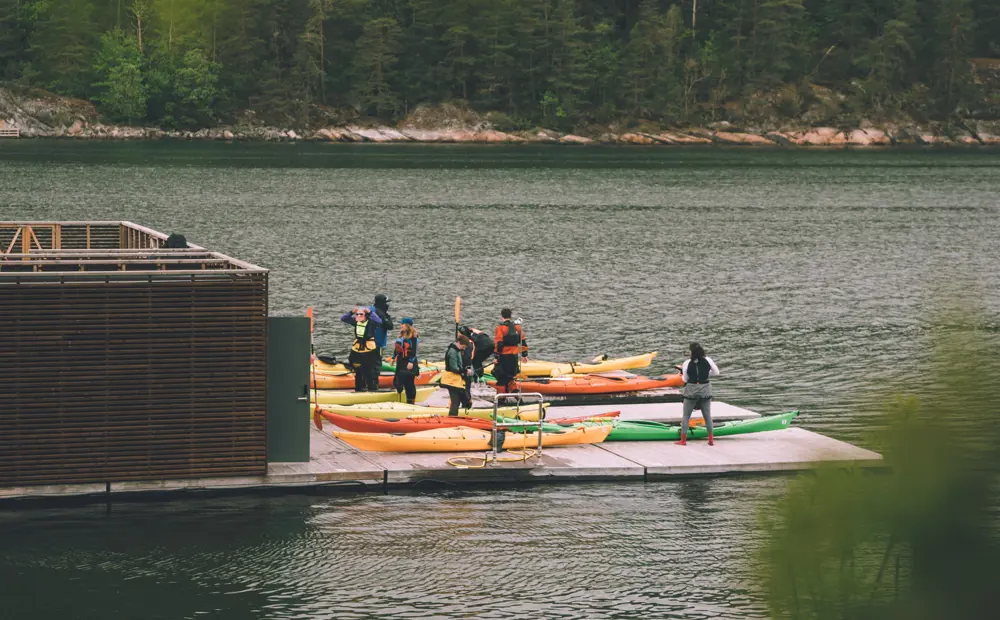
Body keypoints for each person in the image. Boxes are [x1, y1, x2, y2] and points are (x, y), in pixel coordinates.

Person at [676, 342, 720, 446]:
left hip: (691, 390)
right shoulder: (708, 360)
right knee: (707, 416)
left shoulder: (687, 362)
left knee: (686, 416)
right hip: (705, 389)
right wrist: (704, 374)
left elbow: (685, 379)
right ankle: (710, 440)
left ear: (691, 351)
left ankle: (683, 440)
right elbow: (717, 373)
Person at [340, 306, 383, 392]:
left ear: (366, 316)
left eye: (361, 314)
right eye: (357, 314)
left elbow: (379, 321)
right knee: (358, 370)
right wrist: (351, 312)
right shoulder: (356, 322)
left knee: (370, 371)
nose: (359, 316)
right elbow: (343, 318)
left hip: (369, 350)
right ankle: (359, 388)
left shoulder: (371, 323)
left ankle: (372, 389)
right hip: (357, 349)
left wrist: (370, 313)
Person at [493, 308, 527, 391]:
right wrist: (524, 355)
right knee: (511, 377)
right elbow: (523, 341)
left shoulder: (500, 328)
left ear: (502, 317)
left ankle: (500, 400)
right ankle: (517, 396)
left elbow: (499, 344)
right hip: (514, 356)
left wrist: (496, 357)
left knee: (501, 378)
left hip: (504, 357)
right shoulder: (518, 327)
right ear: (510, 316)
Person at [440, 333, 473, 416]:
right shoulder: (453, 352)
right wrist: (465, 371)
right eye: (463, 347)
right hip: (451, 379)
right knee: (455, 401)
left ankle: (455, 415)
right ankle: (452, 418)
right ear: (459, 343)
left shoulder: (457, 350)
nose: (464, 349)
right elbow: (453, 368)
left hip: (455, 379)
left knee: (458, 400)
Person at [368, 294, 394, 391]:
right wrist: (385, 315)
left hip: (364, 344)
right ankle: (373, 387)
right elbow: (390, 326)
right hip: (377, 345)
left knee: (366, 364)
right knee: (376, 366)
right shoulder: (381, 314)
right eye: (386, 303)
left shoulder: (368, 310)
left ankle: (364, 384)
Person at [392, 318, 420, 404]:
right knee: (397, 381)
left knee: (409, 382)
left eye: (402, 324)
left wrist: (411, 362)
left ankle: (411, 400)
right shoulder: (400, 336)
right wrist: (393, 358)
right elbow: (397, 349)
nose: (401, 326)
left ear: (407, 326)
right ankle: (399, 396)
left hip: (409, 361)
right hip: (401, 361)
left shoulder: (413, 338)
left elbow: (414, 351)